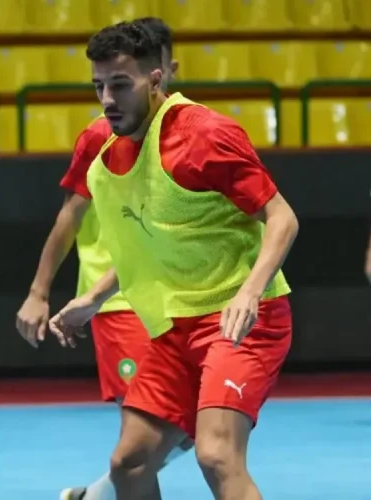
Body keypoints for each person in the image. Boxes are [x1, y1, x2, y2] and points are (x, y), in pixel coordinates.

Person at [48, 20, 298, 500]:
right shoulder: (109, 154)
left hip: (241, 320)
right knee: (129, 463)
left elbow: (282, 218)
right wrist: (93, 298)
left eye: (120, 84)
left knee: (217, 454)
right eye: (99, 86)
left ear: (156, 79)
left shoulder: (205, 135)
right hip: (175, 328)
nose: (107, 99)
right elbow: (149, 244)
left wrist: (248, 293)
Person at [15, 18, 190, 500]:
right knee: (145, 437)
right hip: (118, 304)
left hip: (180, 301)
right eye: (102, 85)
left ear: (166, 71)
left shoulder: (187, 134)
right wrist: (38, 292)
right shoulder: (101, 137)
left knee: (191, 427)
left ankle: (94, 496)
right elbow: (69, 217)